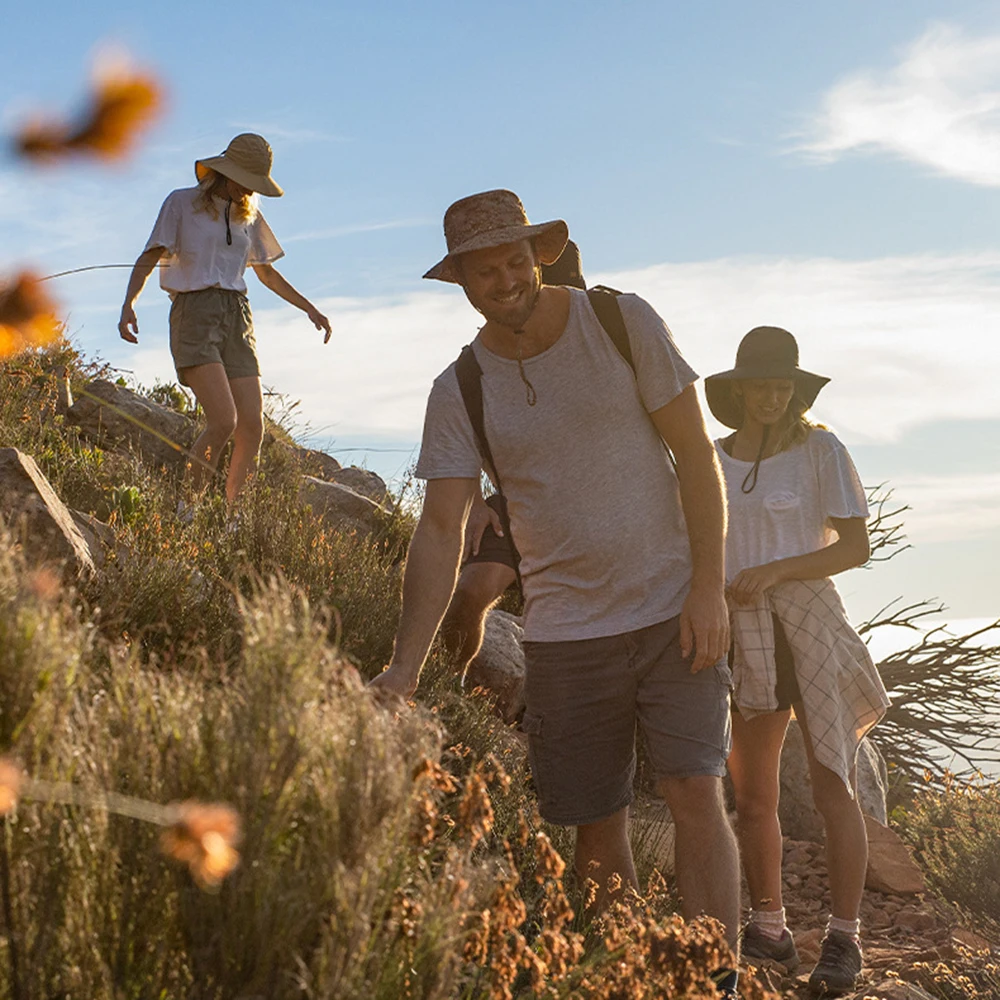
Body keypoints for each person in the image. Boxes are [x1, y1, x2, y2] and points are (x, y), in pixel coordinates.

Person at [370, 190, 741, 996]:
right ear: (461, 282)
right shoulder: (460, 387)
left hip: (675, 607)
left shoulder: (622, 321)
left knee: (693, 791)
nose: (503, 280)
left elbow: (695, 454)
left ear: (538, 254)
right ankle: (621, 982)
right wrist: (404, 666)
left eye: (513, 261)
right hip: (566, 631)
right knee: (596, 823)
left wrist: (710, 587)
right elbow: (441, 530)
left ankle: (718, 983)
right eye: (483, 270)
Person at [705, 327, 890, 997]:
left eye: (783, 384)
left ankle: (845, 939)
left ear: (795, 388)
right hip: (742, 630)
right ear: (740, 389)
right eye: (761, 384)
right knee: (752, 794)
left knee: (832, 783)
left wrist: (777, 569)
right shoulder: (712, 462)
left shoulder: (821, 450)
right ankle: (770, 929)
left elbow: (855, 546)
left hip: (810, 622)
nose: (773, 395)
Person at [118, 133, 331, 504]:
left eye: (255, 185)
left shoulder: (250, 214)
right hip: (194, 313)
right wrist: (128, 305)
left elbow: (265, 273)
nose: (250, 190)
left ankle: (236, 520)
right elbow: (150, 255)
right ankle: (189, 511)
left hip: (238, 317)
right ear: (225, 173)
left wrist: (309, 307)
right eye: (245, 181)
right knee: (223, 421)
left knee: (252, 427)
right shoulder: (181, 203)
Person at [439, 239, 586, 672]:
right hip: (518, 505)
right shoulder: (486, 361)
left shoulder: (604, 344)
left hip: (597, 506)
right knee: (468, 593)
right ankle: (451, 688)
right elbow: (461, 434)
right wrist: (475, 500)